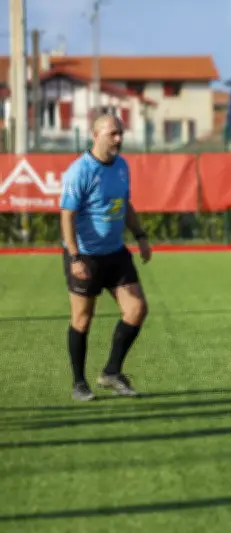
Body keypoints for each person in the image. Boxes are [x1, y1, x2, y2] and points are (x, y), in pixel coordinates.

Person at [60, 114, 151, 401]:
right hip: (86, 256)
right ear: (95, 134)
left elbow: (125, 204)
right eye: (113, 133)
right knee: (82, 319)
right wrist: (75, 256)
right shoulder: (80, 171)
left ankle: (111, 372)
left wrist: (140, 235)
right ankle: (79, 384)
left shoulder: (122, 166)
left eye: (120, 133)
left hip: (116, 253)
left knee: (136, 309)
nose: (118, 139)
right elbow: (67, 215)